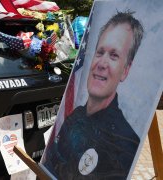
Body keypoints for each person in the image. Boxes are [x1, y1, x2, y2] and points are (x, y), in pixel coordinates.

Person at [42, 11, 144, 180]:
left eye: (114, 55)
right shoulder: (74, 116)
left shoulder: (125, 144)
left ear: (125, 70)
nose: (102, 63)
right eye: (100, 52)